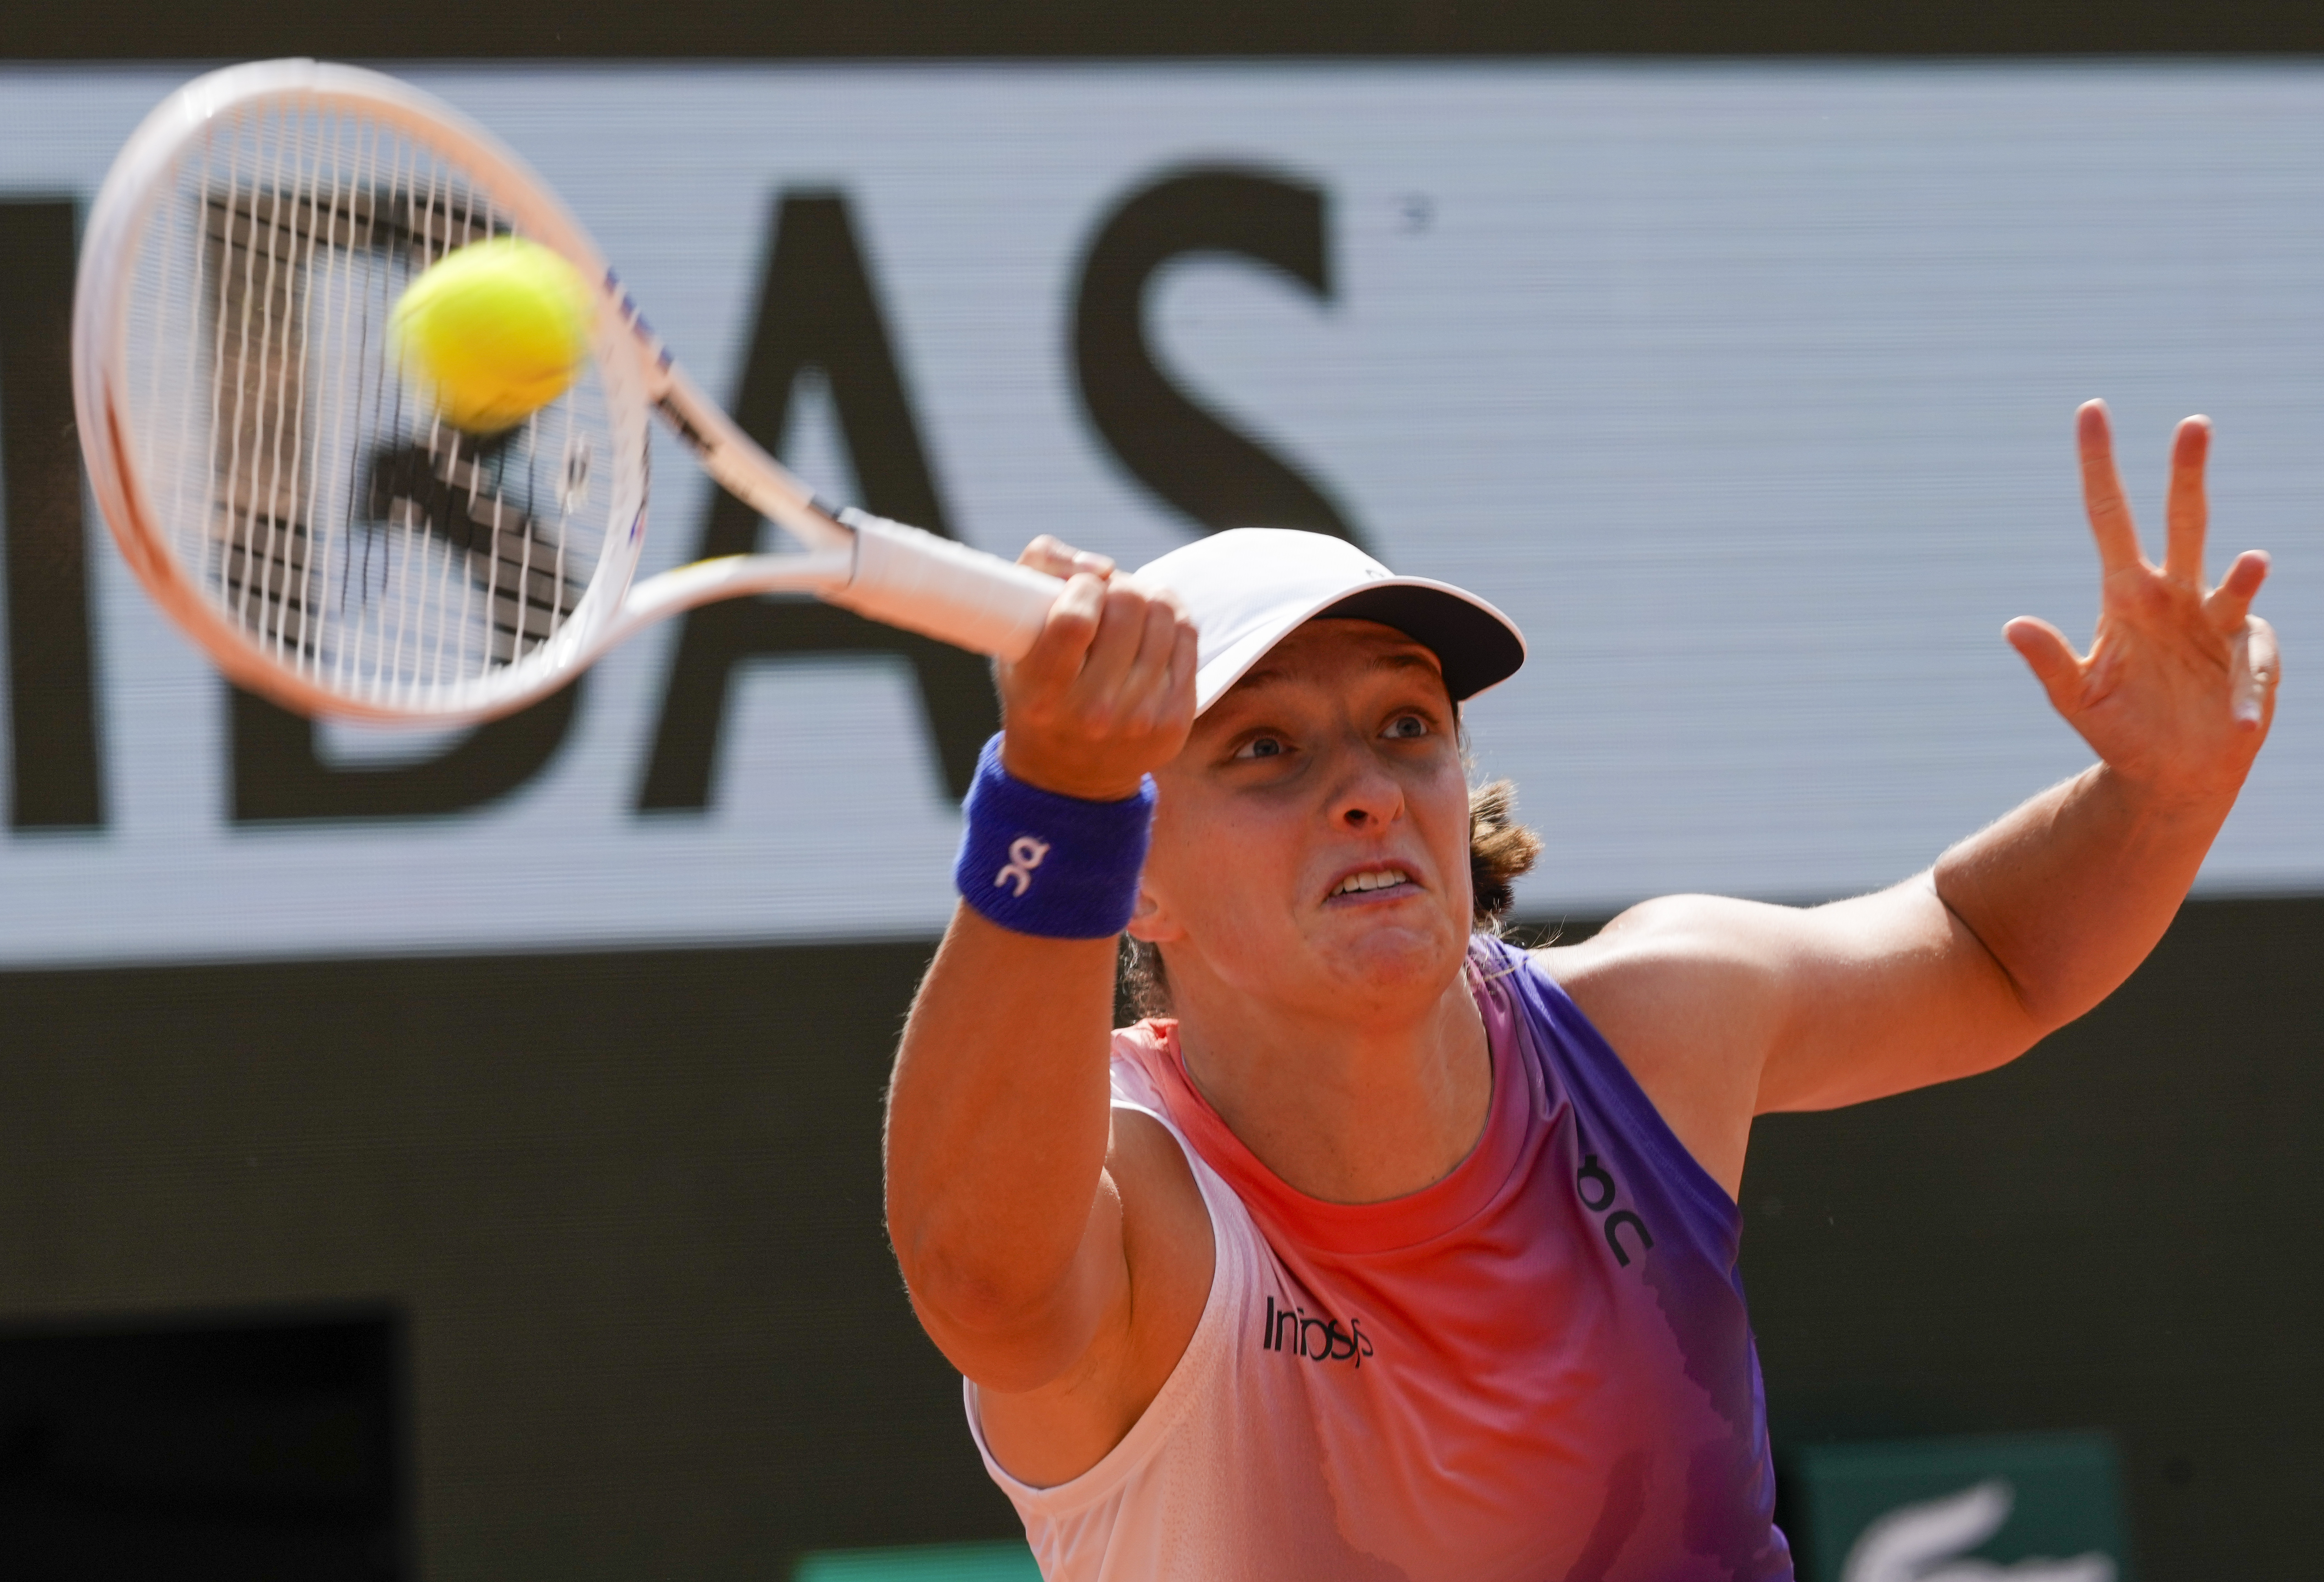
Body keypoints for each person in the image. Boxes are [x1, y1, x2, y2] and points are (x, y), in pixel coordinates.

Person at [882, 402, 2277, 1581]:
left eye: (1406, 725)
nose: (1368, 791)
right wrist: (1052, 803)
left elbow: (1989, 954)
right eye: (1265, 750)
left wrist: (2160, 792)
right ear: (1135, 877)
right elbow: (984, 1286)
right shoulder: (1138, 1189)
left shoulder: (1654, 1028)